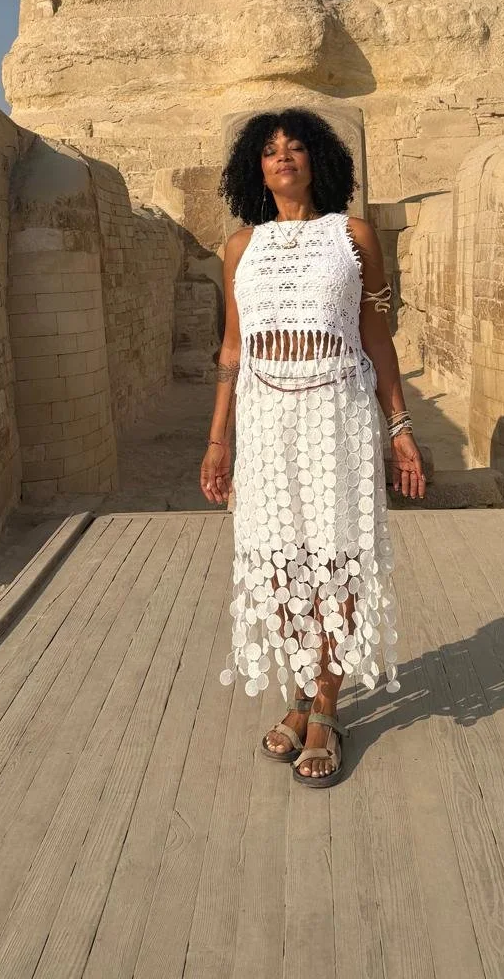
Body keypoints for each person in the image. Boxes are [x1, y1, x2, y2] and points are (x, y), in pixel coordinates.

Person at [200, 108, 426, 787]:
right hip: (265, 420)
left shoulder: (354, 236)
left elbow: (377, 336)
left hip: (338, 414)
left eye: (295, 147)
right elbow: (233, 348)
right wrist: (217, 440)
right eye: (270, 150)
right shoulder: (240, 247)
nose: (283, 157)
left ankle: (326, 706)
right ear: (256, 168)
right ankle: (300, 691)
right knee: (278, 562)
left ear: (317, 160)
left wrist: (399, 427)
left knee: (335, 557)